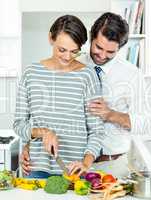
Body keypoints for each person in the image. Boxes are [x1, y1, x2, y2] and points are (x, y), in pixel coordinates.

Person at [21, 12, 148, 178]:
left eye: (110, 52)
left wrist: (111, 114)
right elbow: (48, 113)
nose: (102, 56)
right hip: (71, 163)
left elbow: (143, 123)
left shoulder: (132, 75)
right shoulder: (71, 61)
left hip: (111, 164)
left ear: (120, 48)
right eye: (98, 47)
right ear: (91, 38)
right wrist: (28, 145)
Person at [13, 15, 105, 179]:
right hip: (36, 169)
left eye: (74, 52)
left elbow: (97, 131)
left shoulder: (88, 76)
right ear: (50, 38)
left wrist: (86, 162)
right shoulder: (31, 74)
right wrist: (43, 132)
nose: (67, 57)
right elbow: (19, 125)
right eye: (62, 50)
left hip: (75, 172)